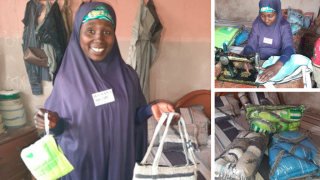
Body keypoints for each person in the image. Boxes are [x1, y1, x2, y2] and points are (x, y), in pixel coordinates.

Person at [33, 2, 177, 180]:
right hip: (82, 166)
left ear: (113, 35)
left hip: (119, 163)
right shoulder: (66, 81)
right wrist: (53, 123)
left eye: (107, 31)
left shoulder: (128, 76)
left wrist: (150, 109)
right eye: (90, 31)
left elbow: (134, 118)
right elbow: (60, 130)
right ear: (79, 34)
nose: (99, 38)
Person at [243, 0, 296, 82]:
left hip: (278, 62)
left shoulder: (284, 26)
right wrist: (247, 57)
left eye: (270, 16)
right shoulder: (257, 24)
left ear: (277, 13)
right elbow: (250, 45)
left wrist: (277, 66)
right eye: (263, 16)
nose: (266, 20)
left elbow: (288, 48)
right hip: (259, 62)